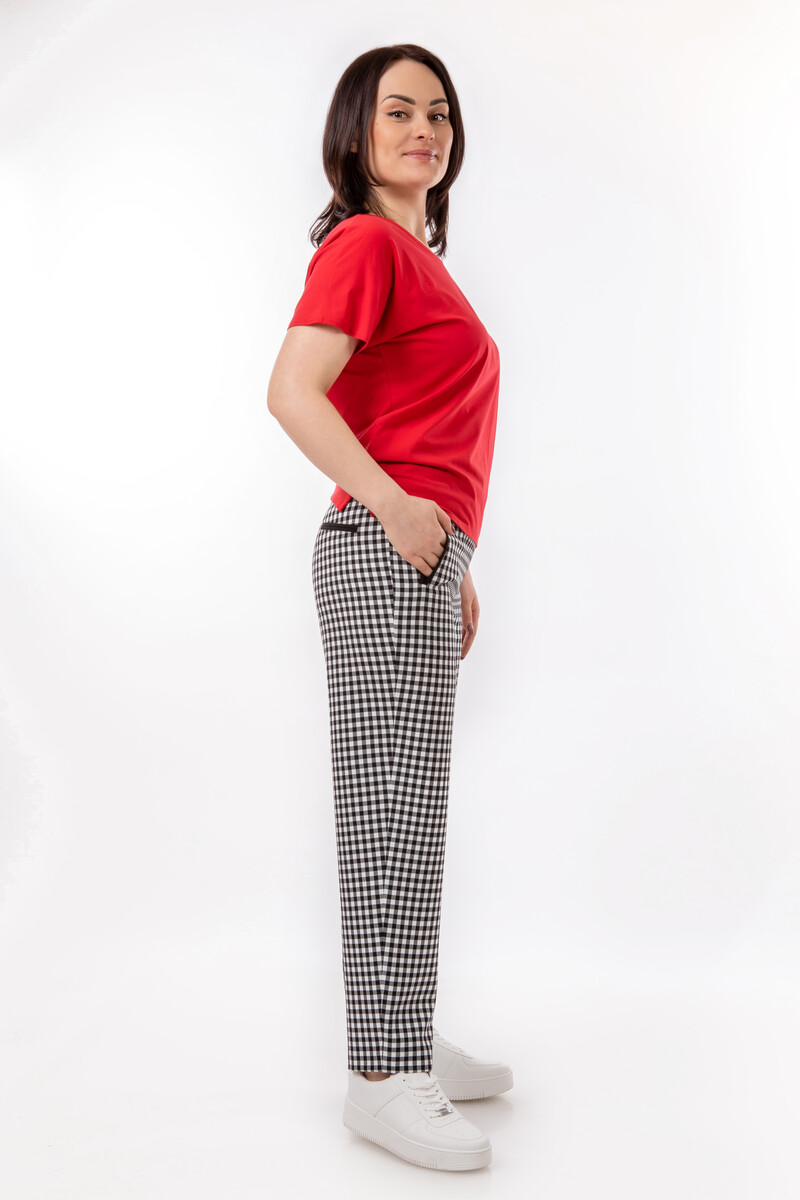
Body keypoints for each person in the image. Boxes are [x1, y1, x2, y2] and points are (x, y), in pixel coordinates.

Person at [267, 43, 513, 1172]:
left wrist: (450, 558)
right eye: (399, 111)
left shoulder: (416, 259)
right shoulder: (366, 244)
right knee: (388, 813)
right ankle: (381, 1076)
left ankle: (400, 1027)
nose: (424, 130)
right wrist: (399, 510)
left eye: (440, 114)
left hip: (416, 553)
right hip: (381, 547)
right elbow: (291, 392)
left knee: (409, 809)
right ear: (355, 132)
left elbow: (419, 426)